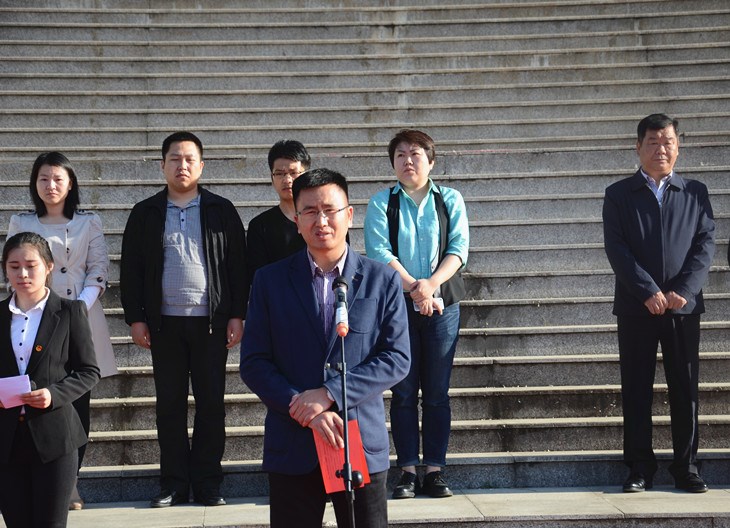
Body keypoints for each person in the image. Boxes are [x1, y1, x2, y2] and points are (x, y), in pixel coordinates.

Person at [240, 168, 410, 528]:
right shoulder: (269, 281)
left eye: (330, 210)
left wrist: (330, 393)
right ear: (297, 220)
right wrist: (306, 409)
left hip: (357, 441)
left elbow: (396, 358)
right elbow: (254, 362)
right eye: (310, 211)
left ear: (349, 215)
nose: (321, 221)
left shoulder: (382, 279)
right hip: (293, 443)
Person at [120, 131, 249, 507]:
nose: (182, 165)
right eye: (174, 159)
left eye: (190, 159)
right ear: (162, 165)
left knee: (211, 405)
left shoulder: (221, 209)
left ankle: (208, 482)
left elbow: (237, 266)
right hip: (164, 324)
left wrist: (237, 314)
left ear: (201, 165)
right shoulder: (145, 212)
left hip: (210, 323)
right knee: (169, 406)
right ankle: (174, 483)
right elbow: (131, 268)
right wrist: (135, 317)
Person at [603, 114, 715, 493]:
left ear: (678, 147)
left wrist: (686, 289)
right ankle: (639, 467)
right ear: (638, 147)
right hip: (637, 308)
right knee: (637, 389)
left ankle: (686, 467)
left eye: (668, 141)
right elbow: (617, 248)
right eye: (652, 142)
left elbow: (705, 245)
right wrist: (646, 290)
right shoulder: (618, 194)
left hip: (682, 308)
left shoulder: (695, 192)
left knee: (685, 389)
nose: (661, 149)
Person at [7, 151, 118, 510]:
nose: (50, 185)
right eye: (43, 179)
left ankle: (69, 483)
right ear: (34, 184)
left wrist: (76, 310)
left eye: (58, 179)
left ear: (70, 184)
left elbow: (98, 270)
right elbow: (14, 267)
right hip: (32, 318)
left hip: (78, 316)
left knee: (76, 403)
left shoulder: (89, 222)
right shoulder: (21, 221)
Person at [363, 129, 469, 499]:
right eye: (400, 155)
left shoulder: (450, 199)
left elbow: (459, 248)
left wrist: (431, 286)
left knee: (437, 392)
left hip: (443, 306)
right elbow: (379, 252)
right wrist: (415, 288)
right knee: (404, 390)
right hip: (397, 308)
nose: (408, 160)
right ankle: (407, 470)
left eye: (416, 154)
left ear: (431, 161)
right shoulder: (382, 203)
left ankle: (435, 470)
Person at [0, 232, 100, 528]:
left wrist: (53, 394)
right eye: (14, 266)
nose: (23, 274)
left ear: (49, 266)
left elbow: (88, 371)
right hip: (6, 440)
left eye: (31, 265)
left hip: (55, 438)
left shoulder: (70, 312)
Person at [246, 139, 310, 281]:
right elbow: (259, 278)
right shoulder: (260, 226)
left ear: (306, 175)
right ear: (272, 178)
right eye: (280, 174)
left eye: (293, 172)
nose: (287, 180)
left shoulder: (323, 220)